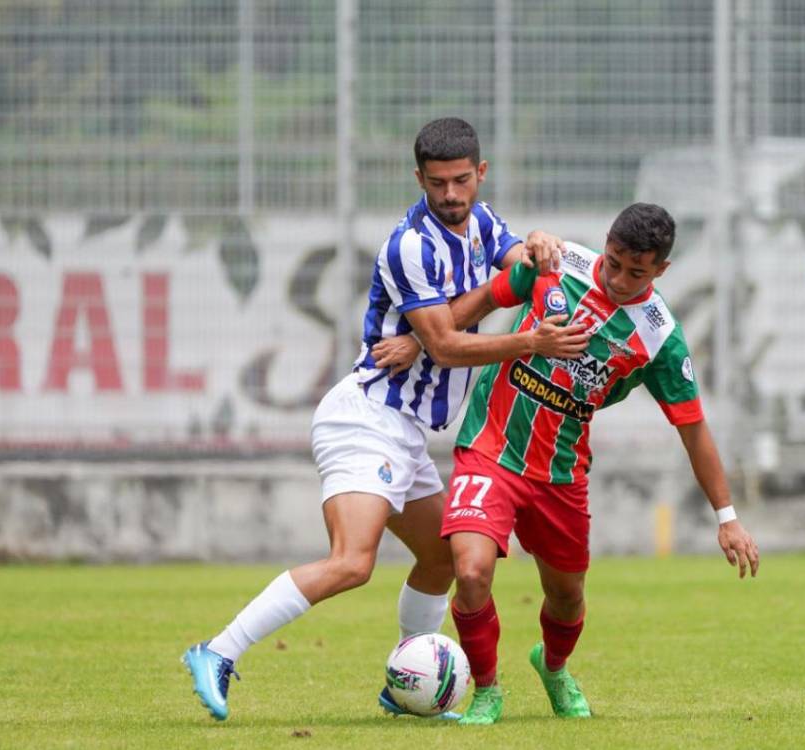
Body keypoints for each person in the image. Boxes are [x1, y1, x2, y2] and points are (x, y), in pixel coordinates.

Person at [182, 117, 589, 721]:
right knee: (352, 562)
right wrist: (529, 343)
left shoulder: (480, 222)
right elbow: (449, 343)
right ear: (418, 178)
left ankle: (405, 682)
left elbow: (515, 268)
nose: (450, 195)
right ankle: (217, 650)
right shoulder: (408, 246)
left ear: (480, 174)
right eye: (436, 183)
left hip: (404, 433)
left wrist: (537, 240)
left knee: (441, 561)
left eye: (460, 181)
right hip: (366, 420)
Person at [377, 202, 761, 726]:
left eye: (637, 272)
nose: (621, 279)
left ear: (661, 271)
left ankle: (554, 667)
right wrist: (421, 339)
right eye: (614, 262)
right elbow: (489, 295)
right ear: (605, 242)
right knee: (469, 571)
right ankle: (487, 690)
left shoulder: (658, 337)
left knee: (566, 597)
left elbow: (692, 428)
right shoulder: (556, 263)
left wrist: (727, 517)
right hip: (490, 448)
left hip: (561, 472)